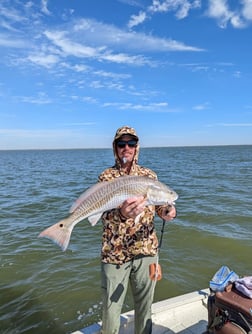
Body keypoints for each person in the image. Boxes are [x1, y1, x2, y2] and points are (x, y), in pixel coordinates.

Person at [98, 125, 177, 334]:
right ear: (115, 148)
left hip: (146, 250)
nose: (127, 148)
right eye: (122, 144)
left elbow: (161, 205)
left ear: (137, 147)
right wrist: (123, 214)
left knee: (145, 307)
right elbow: (103, 214)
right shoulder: (107, 177)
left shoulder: (149, 175)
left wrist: (168, 212)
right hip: (115, 253)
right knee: (110, 309)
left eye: (131, 143)